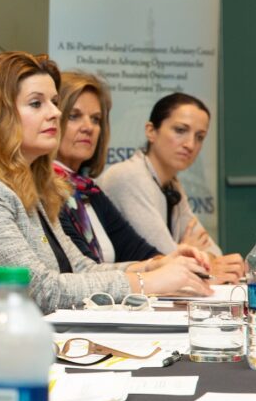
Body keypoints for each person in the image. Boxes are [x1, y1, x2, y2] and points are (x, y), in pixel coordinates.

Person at [0, 52, 211, 314]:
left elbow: (80, 268)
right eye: (37, 104)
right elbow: (37, 291)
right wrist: (147, 283)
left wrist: (152, 267)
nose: (55, 113)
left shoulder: (30, 187)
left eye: (54, 102)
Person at [54, 72, 243, 282]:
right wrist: (183, 258)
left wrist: (189, 256)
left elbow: (159, 256)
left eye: (96, 119)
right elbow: (83, 272)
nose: (88, 127)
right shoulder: (125, 177)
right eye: (74, 116)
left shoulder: (88, 189)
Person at [98, 92, 243, 278]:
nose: (190, 144)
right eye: (180, 130)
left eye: (200, 137)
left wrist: (192, 252)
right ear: (151, 131)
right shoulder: (127, 177)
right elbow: (166, 259)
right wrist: (189, 251)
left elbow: (215, 252)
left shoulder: (172, 184)